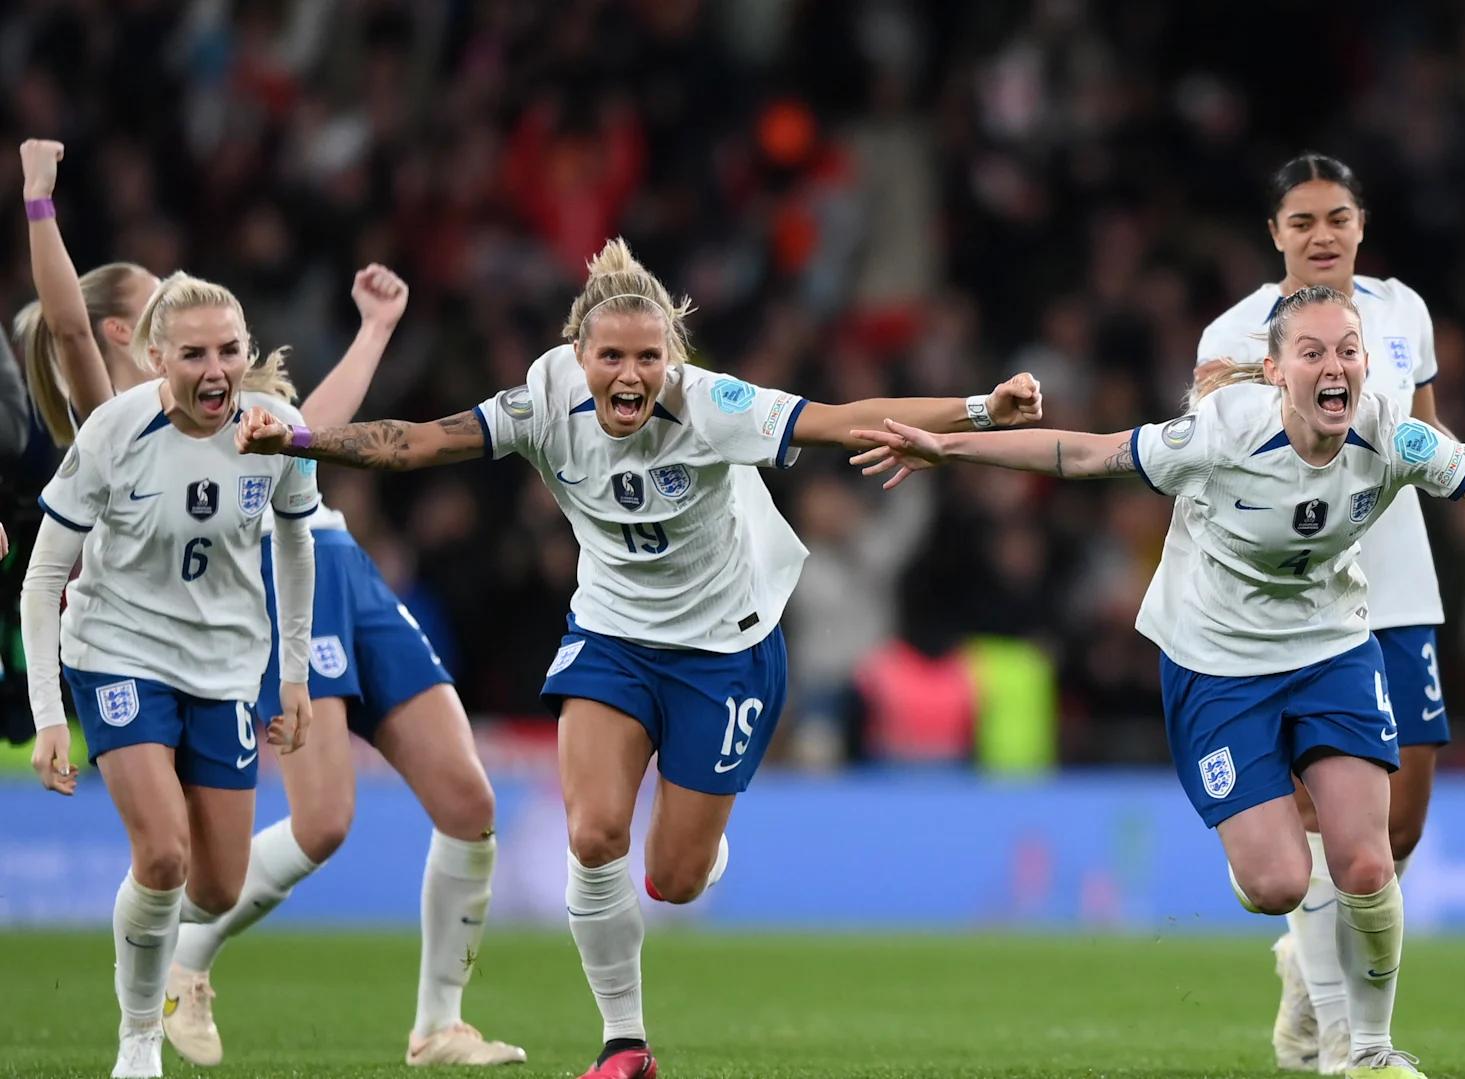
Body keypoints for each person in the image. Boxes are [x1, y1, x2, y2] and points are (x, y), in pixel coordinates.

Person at [850, 285, 1465, 1079]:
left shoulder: (1392, 433)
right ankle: (1291, 922)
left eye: (1350, 350)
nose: (1337, 367)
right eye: (1314, 352)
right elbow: (1084, 456)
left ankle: (1368, 1049)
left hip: (1330, 645)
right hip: (1216, 660)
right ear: (1276, 370)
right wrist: (950, 450)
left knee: (1365, 858)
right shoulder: (1219, 431)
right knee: (1280, 881)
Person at [234, 236, 1044, 1079]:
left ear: (673, 358)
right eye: (610, 355)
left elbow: (840, 419)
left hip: (724, 648)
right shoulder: (544, 396)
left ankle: (704, 835)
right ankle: (625, 1044)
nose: (629, 374)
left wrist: (981, 409)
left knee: (677, 877)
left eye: (648, 357)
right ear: (576, 352)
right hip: (613, 635)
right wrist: (298, 444)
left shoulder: (712, 405)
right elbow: (420, 443)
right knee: (592, 834)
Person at [15, 138, 521, 1067]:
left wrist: (372, 333)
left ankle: (433, 1019)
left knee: (255, 865)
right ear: (140, 338)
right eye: (165, 308)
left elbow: (308, 438)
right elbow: (70, 326)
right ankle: (147, 1022)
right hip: (153, 631)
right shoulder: (116, 411)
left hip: (299, 583)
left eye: (227, 343)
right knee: (247, 838)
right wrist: (39, 201)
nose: (210, 348)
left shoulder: (253, 408)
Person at [1195, 152, 1465, 1071]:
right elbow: (1213, 461)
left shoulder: (1406, 313)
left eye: (1337, 218)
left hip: (1396, 575)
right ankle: (1341, 1030)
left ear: (1361, 225)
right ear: (1275, 233)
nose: (1322, 235)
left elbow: (1430, 439)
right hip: (1299, 601)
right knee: (1319, 816)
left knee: (1400, 825)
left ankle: (1309, 972)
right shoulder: (1237, 330)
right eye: (1303, 220)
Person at [19, 267, 318, 1079]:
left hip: (223, 666)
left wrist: (292, 675)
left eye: (229, 349)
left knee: (216, 887)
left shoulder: (277, 429)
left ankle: (147, 936)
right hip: (117, 651)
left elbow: (296, 542)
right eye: (193, 354)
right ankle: (139, 1041)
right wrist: (51, 714)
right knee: (162, 856)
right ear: (157, 358)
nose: (215, 369)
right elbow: (44, 578)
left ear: (249, 351)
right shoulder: (114, 431)